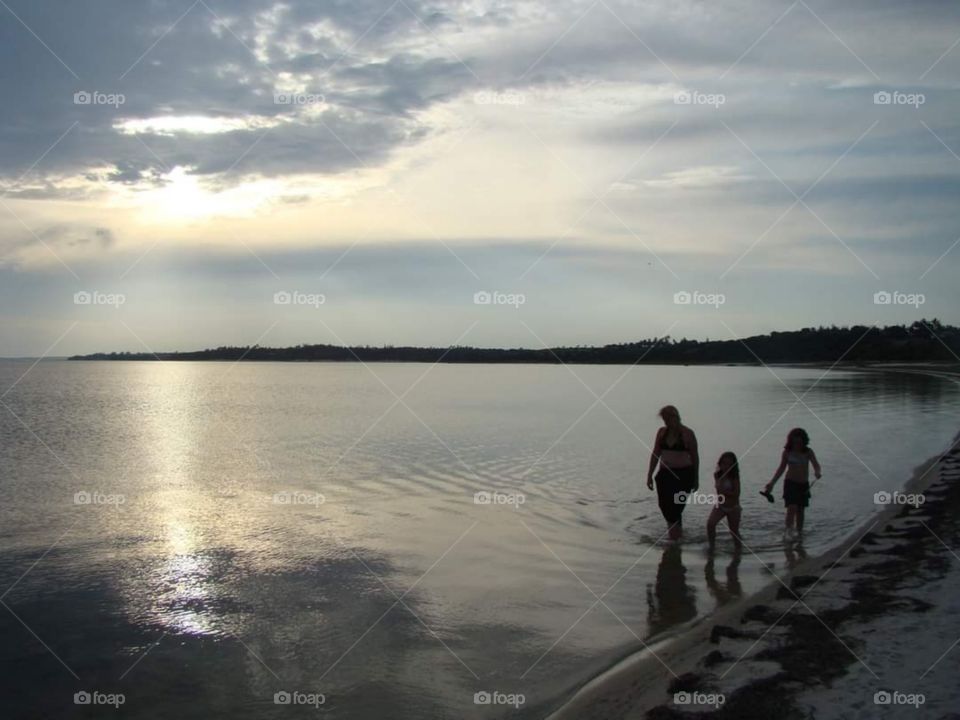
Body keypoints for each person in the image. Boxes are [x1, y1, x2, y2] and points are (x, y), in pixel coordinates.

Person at [646, 405, 699, 541]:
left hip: (684, 475)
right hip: (665, 474)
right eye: (664, 419)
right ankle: (676, 534)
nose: (667, 422)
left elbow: (694, 456)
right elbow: (656, 454)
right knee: (664, 505)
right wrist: (649, 475)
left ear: (676, 417)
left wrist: (696, 478)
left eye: (669, 418)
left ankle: (674, 538)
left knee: (676, 507)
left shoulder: (687, 433)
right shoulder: (662, 432)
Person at [763, 428, 822, 539]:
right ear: (791, 441)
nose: (797, 445)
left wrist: (817, 472)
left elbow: (816, 465)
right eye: (794, 442)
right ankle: (788, 532)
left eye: (799, 443)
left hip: (803, 484)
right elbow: (781, 469)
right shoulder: (787, 452)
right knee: (792, 507)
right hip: (790, 483)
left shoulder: (808, 452)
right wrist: (772, 483)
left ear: (804, 441)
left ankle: (799, 533)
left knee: (800, 510)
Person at [706, 451, 742, 550]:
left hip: (733, 507)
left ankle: (739, 549)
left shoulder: (734, 477)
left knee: (734, 531)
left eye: (729, 464)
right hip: (721, 505)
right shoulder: (717, 475)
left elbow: (736, 494)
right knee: (710, 524)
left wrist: (724, 492)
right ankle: (711, 546)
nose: (726, 466)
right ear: (720, 464)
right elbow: (719, 492)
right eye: (724, 464)